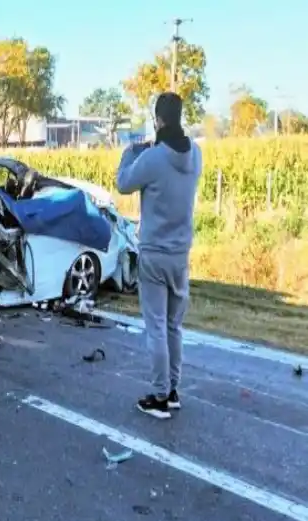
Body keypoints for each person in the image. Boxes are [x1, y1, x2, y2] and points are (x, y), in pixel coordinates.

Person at [115, 92, 202, 420]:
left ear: (159, 119)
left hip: (154, 252)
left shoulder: (151, 159)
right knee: (173, 326)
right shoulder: (196, 154)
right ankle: (174, 390)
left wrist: (129, 153)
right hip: (181, 253)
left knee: (155, 328)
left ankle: (160, 396)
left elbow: (124, 183)